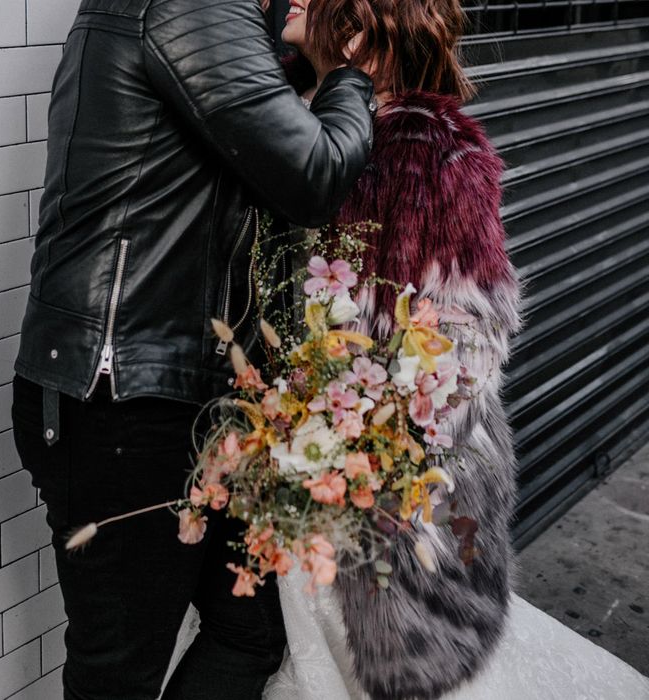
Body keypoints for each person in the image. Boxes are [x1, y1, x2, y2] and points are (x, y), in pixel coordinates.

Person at [173, 0, 649, 698]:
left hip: (361, 485)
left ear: (369, 23)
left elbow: (468, 338)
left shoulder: (432, 157)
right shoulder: (270, 115)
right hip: (259, 458)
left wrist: (362, 439)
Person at [10, 1, 376, 698]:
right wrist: (347, 74)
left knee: (251, 630)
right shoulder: (194, 6)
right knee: (118, 676)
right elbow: (315, 174)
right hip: (123, 402)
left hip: (174, 399)